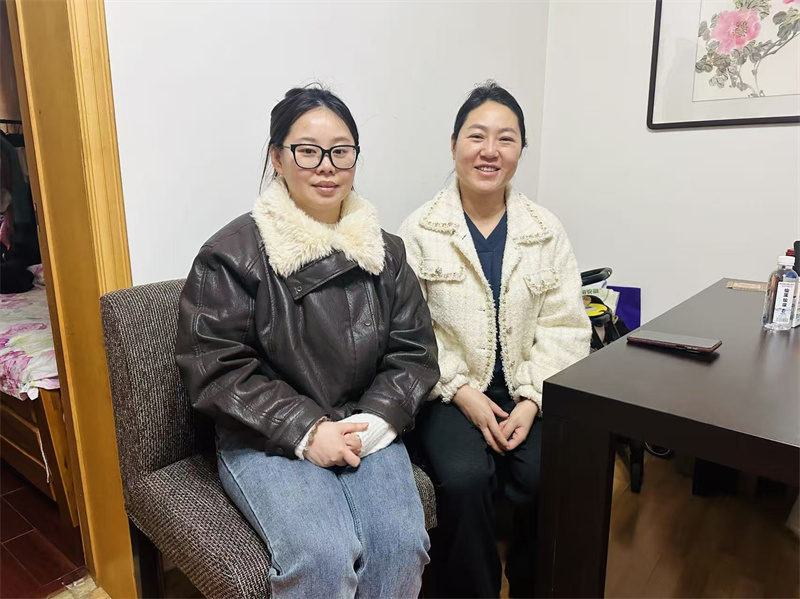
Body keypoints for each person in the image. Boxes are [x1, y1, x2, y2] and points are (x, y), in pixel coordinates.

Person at [176, 85, 439, 599]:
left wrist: (376, 421)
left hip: (364, 424)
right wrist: (306, 429)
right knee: (322, 555)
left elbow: (415, 351)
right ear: (277, 158)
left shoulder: (387, 252)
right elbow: (214, 366)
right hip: (267, 432)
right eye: (308, 151)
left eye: (341, 151)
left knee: (402, 545)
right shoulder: (231, 254)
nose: (327, 167)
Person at [399, 81, 592, 598]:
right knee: (464, 480)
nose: (490, 151)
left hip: (530, 388)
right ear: (454, 145)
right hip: (448, 392)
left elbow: (567, 327)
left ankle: (533, 584)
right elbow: (412, 333)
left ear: (521, 150)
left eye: (506, 139)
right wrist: (462, 392)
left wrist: (531, 400)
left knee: (548, 476)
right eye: (476, 136)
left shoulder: (545, 230)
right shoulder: (419, 231)